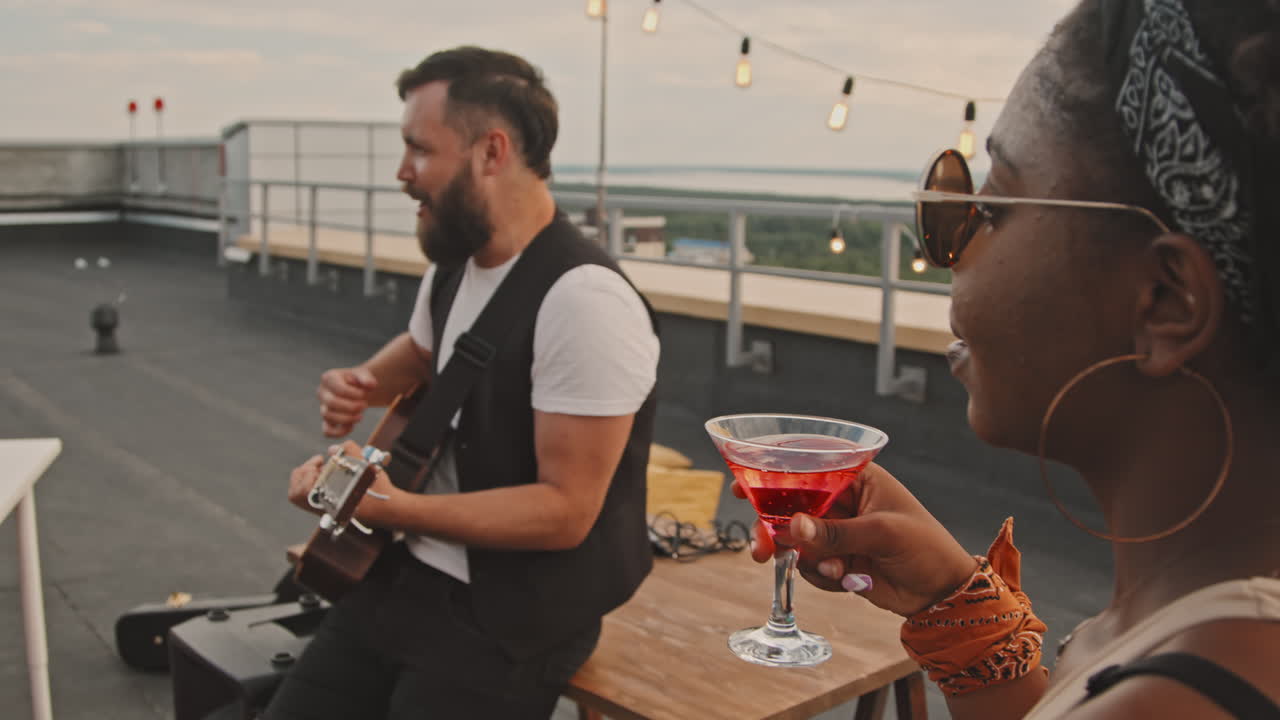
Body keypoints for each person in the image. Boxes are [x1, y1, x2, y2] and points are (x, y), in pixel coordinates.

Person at [745, 0, 1280, 717]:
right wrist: (952, 603)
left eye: (992, 205)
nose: (951, 254)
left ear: (1164, 301)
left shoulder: (1173, 702)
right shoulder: (1201, 631)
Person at [265, 46, 660, 720]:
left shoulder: (585, 301)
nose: (402, 172)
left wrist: (387, 505)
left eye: (419, 149)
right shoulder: (459, 262)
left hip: (510, 619)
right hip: (401, 574)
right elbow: (426, 352)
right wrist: (363, 381)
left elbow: (565, 511)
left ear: (490, 152)